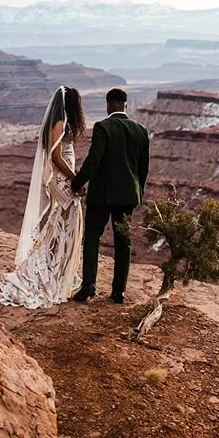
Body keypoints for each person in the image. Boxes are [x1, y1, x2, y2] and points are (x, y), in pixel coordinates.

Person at [0, 86, 86, 309]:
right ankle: (50, 270)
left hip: (65, 179)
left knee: (64, 224)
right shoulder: (59, 123)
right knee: (65, 222)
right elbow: (55, 155)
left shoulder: (62, 123)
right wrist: (75, 179)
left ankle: (58, 269)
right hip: (63, 181)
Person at [71, 88, 150, 304]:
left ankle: (88, 288)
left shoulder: (103, 127)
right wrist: (138, 193)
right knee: (123, 242)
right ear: (125, 105)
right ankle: (118, 292)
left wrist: (76, 183)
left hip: (102, 195)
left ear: (108, 105)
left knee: (92, 238)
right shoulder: (141, 130)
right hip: (127, 197)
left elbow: (93, 160)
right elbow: (143, 169)